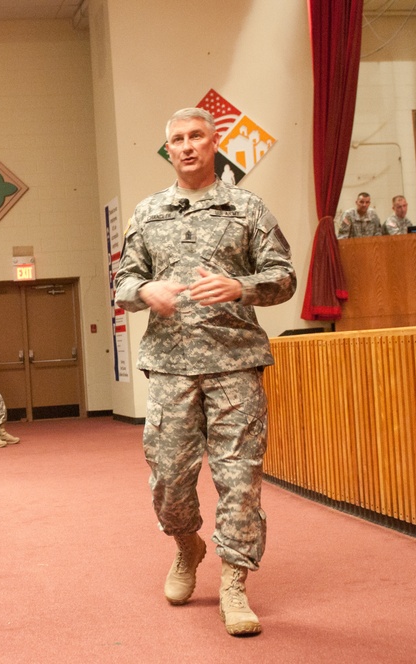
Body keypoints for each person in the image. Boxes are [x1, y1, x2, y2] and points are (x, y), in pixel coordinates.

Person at [114, 107, 296, 636]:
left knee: (239, 477)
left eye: (197, 136)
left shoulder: (247, 208)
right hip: (170, 368)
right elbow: (124, 283)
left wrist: (241, 287)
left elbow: (283, 275)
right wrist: (145, 291)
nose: (187, 145)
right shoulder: (148, 212)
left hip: (235, 364)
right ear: (167, 149)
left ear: (215, 143)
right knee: (168, 479)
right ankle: (186, 545)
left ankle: (234, 583)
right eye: (177, 138)